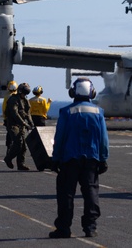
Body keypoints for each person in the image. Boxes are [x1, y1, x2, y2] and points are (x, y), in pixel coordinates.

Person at [49, 77, 109, 239]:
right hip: (91, 158)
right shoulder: (98, 112)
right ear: (92, 92)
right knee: (91, 192)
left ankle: (63, 228)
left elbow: (59, 137)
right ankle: (90, 227)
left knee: (66, 194)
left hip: (69, 159)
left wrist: (55, 159)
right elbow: (103, 138)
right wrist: (103, 158)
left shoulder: (66, 112)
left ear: (73, 92)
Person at [4, 81, 34, 171]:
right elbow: (15, 113)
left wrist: (31, 123)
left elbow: (28, 114)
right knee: (18, 142)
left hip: (22, 125)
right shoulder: (13, 100)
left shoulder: (25, 101)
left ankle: (21, 164)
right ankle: (8, 158)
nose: (25, 94)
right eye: (24, 92)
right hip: (13, 124)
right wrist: (25, 123)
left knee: (24, 146)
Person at [1, 80, 17, 148]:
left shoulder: (7, 97)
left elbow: (4, 107)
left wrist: (5, 117)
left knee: (9, 132)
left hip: (9, 118)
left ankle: (9, 146)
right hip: (17, 117)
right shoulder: (18, 96)